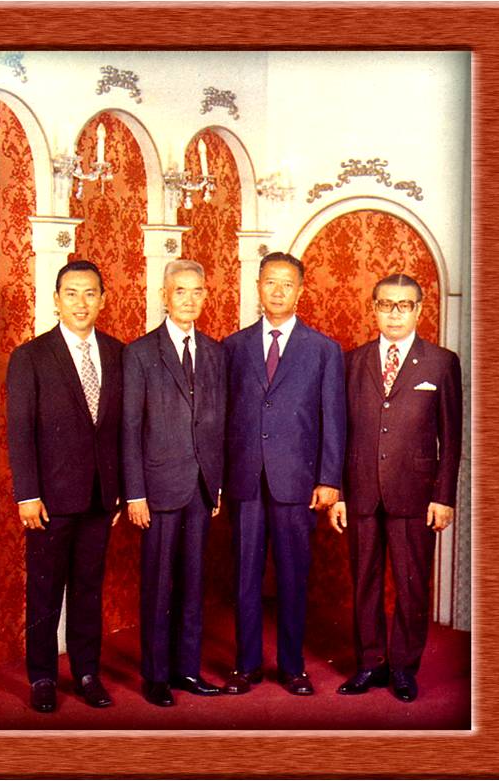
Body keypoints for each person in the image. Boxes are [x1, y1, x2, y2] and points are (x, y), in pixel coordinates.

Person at [330, 273, 462, 703]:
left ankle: (404, 667)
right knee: (364, 581)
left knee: (411, 584)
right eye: (386, 304)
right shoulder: (353, 361)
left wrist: (443, 497)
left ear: (419, 310)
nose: (394, 313)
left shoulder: (441, 362)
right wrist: (340, 493)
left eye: (404, 305)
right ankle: (370, 664)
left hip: (416, 494)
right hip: (362, 491)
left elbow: (451, 438)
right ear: (374, 308)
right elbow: (340, 432)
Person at [222, 251, 346, 696]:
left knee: (294, 576)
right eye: (270, 282)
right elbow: (221, 417)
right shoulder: (233, 347)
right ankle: (246, 665)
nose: (277, 291)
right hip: (245, 480)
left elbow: (334, 418)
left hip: (298, 482)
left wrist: (329, 479)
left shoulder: (323, 350)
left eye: (287, 284)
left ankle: (293, 667)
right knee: (245, 576)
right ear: (258, 286)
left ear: (300, 291)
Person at [6, 260, 124, 713]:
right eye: (71, 293)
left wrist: (119, 488)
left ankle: (87, 673)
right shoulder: (31, 357)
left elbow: (121, 429)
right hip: (49, 500)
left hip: (99, 497)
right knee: (45, 589)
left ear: (103, 300)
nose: (81, 302)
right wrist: (27, 494)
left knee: (88, 590)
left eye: (90, 293)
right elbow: (20, 431)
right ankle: (42, 677)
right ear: (56, 300)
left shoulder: (117, 353)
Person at [122, 259, 226, 707]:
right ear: (165, 296)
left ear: (206, 296)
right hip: (158, 488)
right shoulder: (141, 353)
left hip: (201, 487)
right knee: (159, 584)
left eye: (196, 291)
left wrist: (216, 484)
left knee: (193, 584)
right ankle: (156, 675)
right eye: (180, 291)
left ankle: (187, 669)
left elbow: (218, 422)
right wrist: (135, 492)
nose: (189, 299)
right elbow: (129, 428)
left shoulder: (216, 353)